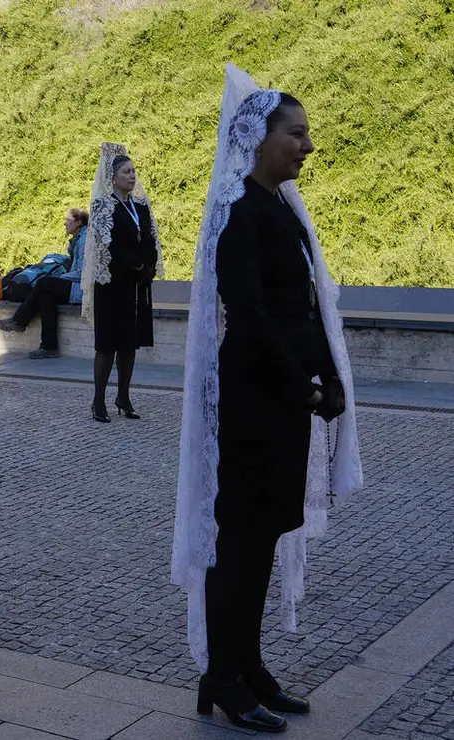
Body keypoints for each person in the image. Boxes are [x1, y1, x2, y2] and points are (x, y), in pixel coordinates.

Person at [171, 64, 363, 733]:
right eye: (296, 133)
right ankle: (224, 676)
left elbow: (300, 308)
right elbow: (250, 317)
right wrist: (303, 382)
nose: (307, 146)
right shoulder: (239, 213)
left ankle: (243, 666)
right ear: (256, 137)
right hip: (253, 397)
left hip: (280, 397)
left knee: (263, 533)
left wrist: (328, 378)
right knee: (241, 541)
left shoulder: (275, 206)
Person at [81, 145, 163, 422]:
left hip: (136, 284)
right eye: (126, 172)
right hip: (112, 283)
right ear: (112, 178)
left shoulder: (140, 206)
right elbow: (107, 243)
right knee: (107, 345)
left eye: (134, 171)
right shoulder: (103, 206)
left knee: (129, 344)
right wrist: (134, 263)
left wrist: (148, 265)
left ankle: (124, 397)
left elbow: (150, 238)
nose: (132, 176)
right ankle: (98, 401)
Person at [0, 208, 89, 358]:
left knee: (45, 282)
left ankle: (19, 321)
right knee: (46, 296)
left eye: (68, 220)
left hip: (80, 289)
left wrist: (61, 278)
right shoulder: (78, 239)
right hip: (75, 286)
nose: (64, 223)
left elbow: (83, 273)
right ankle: (49, 347)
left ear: (78, 222)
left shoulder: (84, 240)